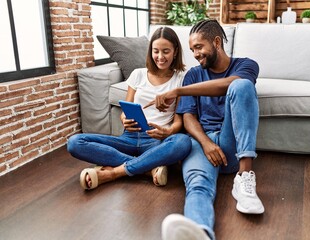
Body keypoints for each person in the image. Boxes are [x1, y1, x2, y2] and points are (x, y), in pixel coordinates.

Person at [147, 19, 264, 240]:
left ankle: (245, 175)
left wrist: (177, 91)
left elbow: (229, 85)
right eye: (192, 50)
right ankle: (200, 231)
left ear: (217, 42)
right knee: (198, 186)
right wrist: (206, 143)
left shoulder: (246, 65)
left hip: (232, 145)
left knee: (241, 85)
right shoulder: (193, 74)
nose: (195, 54)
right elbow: (189, 116)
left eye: (199, 47)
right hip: (202, 143)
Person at [67, 27, 191, 190]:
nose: (160, 57)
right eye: (156, 51)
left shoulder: (181, 79)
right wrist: (124, 118)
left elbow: (178, 122)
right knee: (75, 142)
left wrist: (168, 132)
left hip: (156, 141)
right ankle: (146, 169)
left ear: (175, 52)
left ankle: (114, 172)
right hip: (129, 137)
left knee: (183, 142)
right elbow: (126, 109)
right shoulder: (138, 74)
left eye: (166, 51)